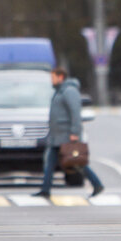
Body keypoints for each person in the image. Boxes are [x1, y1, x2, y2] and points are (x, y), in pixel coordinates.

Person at [33, 68, 103, 198]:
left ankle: (97, 184)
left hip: (66, 135)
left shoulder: (69, 91)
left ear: (61, 77)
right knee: (50, 162)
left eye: (53, 78)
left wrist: (74, 132)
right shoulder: (60, 91)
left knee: (75, 161)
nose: (51, 81)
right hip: (57, 136)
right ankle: (45, 189)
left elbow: (75, 113)